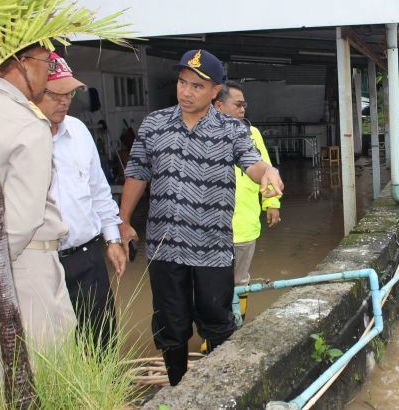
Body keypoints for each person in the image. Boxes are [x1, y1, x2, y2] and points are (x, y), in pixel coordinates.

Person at [119, 49, 284, 387]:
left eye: (197, 85)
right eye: (182, 82)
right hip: (165, 249)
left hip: (211, 249)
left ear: (214, 92)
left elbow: (252, 163)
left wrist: (268, 173)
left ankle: (222, 389)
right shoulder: (154, 123)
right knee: (170, 324)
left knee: (217, 320)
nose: (186, 91)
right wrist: (123, 220)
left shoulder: (231, 129)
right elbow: (137, 173)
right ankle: (179, 387)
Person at [0, 45, 75, 405]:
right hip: (20, 273)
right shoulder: (25, 124)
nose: (47, 76)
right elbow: (19, 225)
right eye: (45, 64)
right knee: (47, 380)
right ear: (20, 64)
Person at [33, 53, 127, 349]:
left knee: (101, 340)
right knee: (52, 344)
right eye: (54, 94)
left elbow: (98, 189)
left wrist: (112, 239)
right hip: (40, 261)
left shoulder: (77, 131)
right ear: (34, 90)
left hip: (86, 257)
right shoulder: (18, 137)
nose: (64, 101)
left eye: (69, 93)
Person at [213, 81, 281, 323]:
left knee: (239, 280)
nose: (243, 109)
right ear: (218, 105)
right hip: (209, 228)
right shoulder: (204, 135)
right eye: (238, 104)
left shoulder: (252, 135)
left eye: (244, 104)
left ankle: (237, 323)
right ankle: (216, 329)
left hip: (244, 224)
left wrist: (271, 204)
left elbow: (267, 169)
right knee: (210, 282)